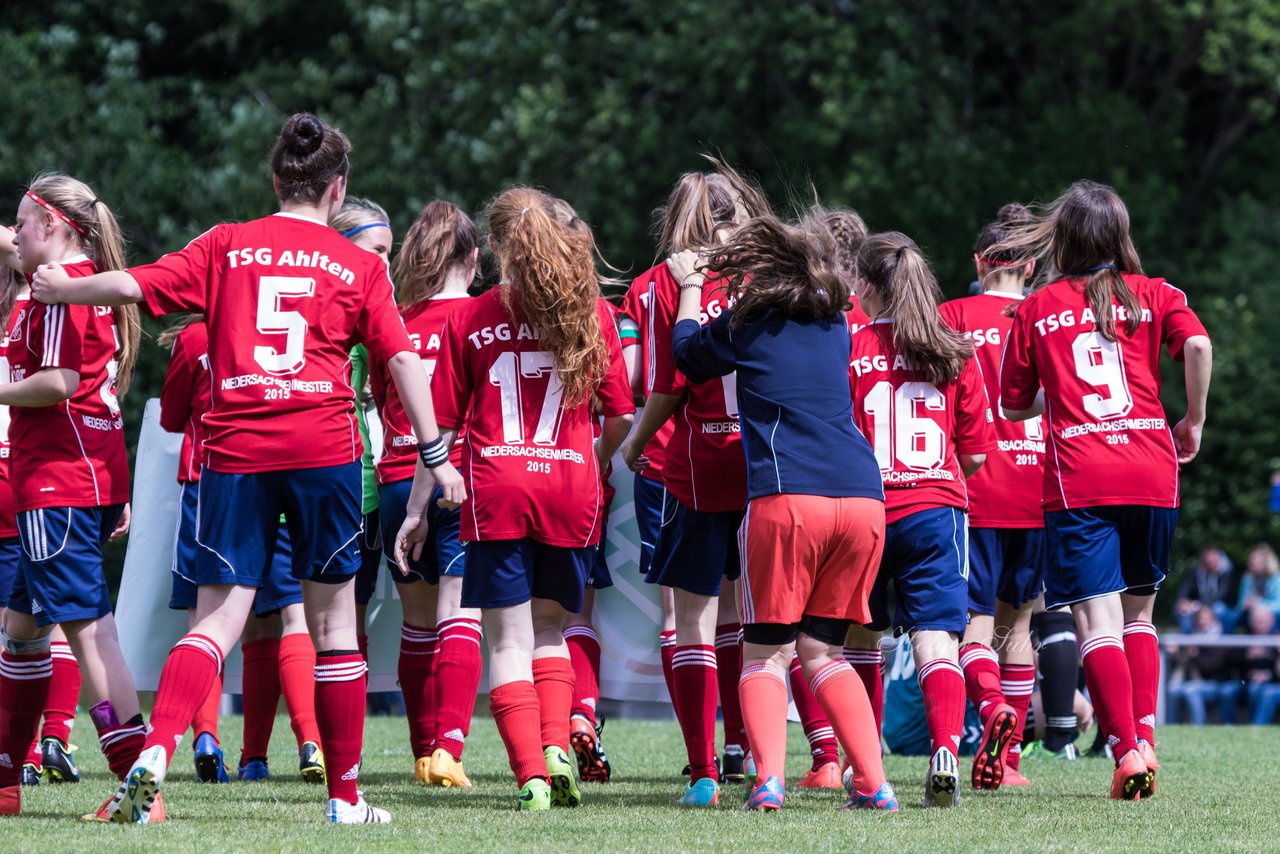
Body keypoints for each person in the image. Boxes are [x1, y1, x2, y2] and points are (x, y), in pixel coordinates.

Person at [32, 113, 463, 825]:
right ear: (339, 189)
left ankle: (156, 753)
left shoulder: (226, 244)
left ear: (275, 179)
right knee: (332, 629)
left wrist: (64, 289)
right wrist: (436, 457)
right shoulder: (358, 264)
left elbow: (138, 286)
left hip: (235, 453)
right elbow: (401, 358)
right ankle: (345, 800)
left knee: (217, 620)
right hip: (324, 450)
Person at [396, 187, 633, 811]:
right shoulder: (592, 314)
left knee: (507, 640)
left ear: (497, 246)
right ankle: (558, 749)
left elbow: (440, 426)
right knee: (553, 629)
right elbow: (621, 418)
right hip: (570, 487)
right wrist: (594, 460)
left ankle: (530, 774)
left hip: (495, 490)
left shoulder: (471, 317)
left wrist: (419, 510)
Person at [668, 211, 898, 812]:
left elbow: (689, 356)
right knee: (824, 649)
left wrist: (691, 286)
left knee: (766, 650)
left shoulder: (750, 322)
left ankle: (767, 780)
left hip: (787, 495)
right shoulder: (836, 324)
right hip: (863, 499)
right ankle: (874, 783)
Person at [998, 179, 1212, 799]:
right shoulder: (1155, 292)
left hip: (1081, 476)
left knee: (1098, 621)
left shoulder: (1036, 309)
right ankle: (1144, 734)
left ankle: (1126, 750)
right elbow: (1196, 343)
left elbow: (1015, 408)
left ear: (1063, 238)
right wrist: (1193, 419)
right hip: (1151, 466)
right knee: (1141, 613)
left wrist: (1060, 392)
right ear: (1121, 235)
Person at [0, 174, 150, 820]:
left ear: (56, 227)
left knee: (92, 634)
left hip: (57, 481)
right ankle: (6, 780)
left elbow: (59, 380)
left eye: (24, 224)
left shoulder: (60, 290)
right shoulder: (80, 281)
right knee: (25, 632)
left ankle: (135, 780)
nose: (16, 235)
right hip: (83, 475)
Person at [620, 162, 768, 806]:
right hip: (765, 465)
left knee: (691, 619)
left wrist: (630, 441)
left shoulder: (662, 283)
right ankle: (751, 750)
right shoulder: (770, 280)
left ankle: (703, 769)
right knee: (752, 616)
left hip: (694, 466)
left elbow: (662, 382)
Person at [845, 231, 996, 809]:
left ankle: (867, 768)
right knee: (939, 642)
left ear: (866, 285)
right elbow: (977, 452)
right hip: (937, 509)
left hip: (869, 511)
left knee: (863, 640)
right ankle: (944, 750)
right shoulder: (953, 348)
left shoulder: (851, 345)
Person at [157, 315, 324, 785]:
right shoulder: (285, 324)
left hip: (206, 487)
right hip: (278, 480)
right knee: (289, 615)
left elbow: (172, 419)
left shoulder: (192, 336)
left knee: (205, 619)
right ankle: (301, 742)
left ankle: (205, 737)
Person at [368, 199, 484, 787]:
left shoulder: (397, 320)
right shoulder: (482, 319)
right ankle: (447, 749)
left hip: (393, 481)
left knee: (415, 622)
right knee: (459, 613)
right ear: (472, 256)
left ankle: (421, 754)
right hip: (457, 478)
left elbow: (381, 396)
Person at [939, 203, 1043, 789]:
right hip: (1038, 489)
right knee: (1019, 625)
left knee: (972, 629)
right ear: (1029, 267)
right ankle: (1010, 765)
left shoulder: (948, 315)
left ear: (980, 261)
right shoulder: (1051, 312)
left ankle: (988, 713)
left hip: (973, 487)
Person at [329, 198, 394, 672]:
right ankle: (317, 741)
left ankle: (326, 740)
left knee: (350, 618)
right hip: (340, 481)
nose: (386, 264)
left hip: (363, 487)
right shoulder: (347, 308)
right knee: (321, 621)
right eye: (378, 251)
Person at [1166, 606, 1239, 724]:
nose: (1202, 621)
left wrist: (1195, 655)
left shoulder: (1222, 637)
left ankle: (1199, 725)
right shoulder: (1191, 637)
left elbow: (1213, 665)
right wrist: (1175, 654)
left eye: (1206, 618)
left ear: (1213, 620)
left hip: (1217, 682)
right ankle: (1171, 724)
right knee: (1172, 689)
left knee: (1191, 690)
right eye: (1200, 618)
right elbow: (1182, 664)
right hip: (1192, 679)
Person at [1173, 548, 1234, 632]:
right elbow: (1186, 586)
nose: (1210, 564)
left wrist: (1201, 605)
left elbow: (1222, 593)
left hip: (1216, 603)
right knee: (1183, 612)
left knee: (1220, 610)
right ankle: (1189, 641)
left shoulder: (1225, 572)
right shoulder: (1197, 571)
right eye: (1208, 562)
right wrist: (1182, 600)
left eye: (1213, 561)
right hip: (1198, 603)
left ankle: (1225, 641)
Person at [1231, 545, 1280, 627]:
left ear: (1266, 563)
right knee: (1228, 617)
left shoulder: (1276, 578)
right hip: (1249, 614)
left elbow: (1278, 605)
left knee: (1260, 616)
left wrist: (1259, 602)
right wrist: (1246, 604)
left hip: (1272, 615)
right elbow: (1240, 604)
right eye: (1251, 562)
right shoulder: (1247, 578)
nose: (1252, 563)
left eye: (1256, 562)